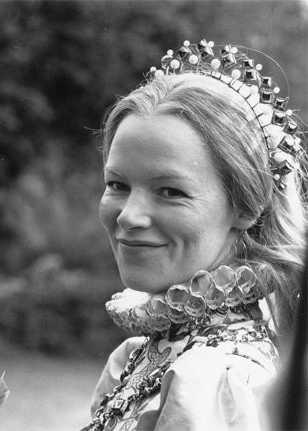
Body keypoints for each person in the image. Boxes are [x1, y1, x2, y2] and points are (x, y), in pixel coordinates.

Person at [83, 39, 306, 431]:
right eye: (117, 184)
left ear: (246, 207)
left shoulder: (216, 378)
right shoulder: (148, 353)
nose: (130, 216)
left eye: (170, 192)